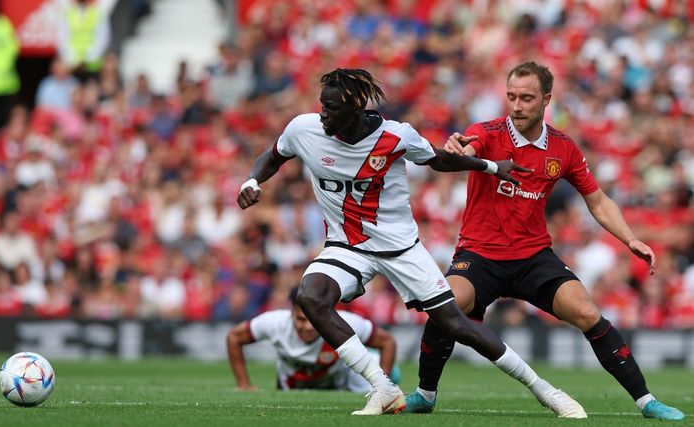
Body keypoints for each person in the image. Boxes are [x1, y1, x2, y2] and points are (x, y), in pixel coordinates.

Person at [237, 68, 586, 417]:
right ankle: (382, 387)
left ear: (356, 106)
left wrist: (492, 167)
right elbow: (272, 156)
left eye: (332, 108)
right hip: (347, 247)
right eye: (322, 106)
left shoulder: (395, 136)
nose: (324, 114)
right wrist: (252, 181)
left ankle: (546, 391)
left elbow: (439, 159)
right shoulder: (304, 129)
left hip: (400, 248)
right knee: (311, 296)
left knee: (455, 324)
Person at [406, 61, 685, 421]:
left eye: (526, 98)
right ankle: (426, 394)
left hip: (533, 257)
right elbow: (467, 148)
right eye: (511, 97)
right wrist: (460, 149)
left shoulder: (563, 148)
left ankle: (647, 401)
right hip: (479, 255)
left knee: (587, 312)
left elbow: (597, 200)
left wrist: (630, 238)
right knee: (447, 304)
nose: (517, 105)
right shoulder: (487, 132)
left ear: (546, 99)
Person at [227, 287, 400, 392]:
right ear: (291, 313)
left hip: (342, 383)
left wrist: (382, 388)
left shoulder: (345, 322)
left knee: (388, 370)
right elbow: (234, 337)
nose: (308, 327)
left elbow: (387, 342)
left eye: (313, 320)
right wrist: (244, 384)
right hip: (293, 386)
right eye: (301, 319)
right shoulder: (274, 322)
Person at [0, 1, 20, 134]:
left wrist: (2, 67)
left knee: (5, 122)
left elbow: (13, 48)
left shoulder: (3, 23)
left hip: (6, 84)